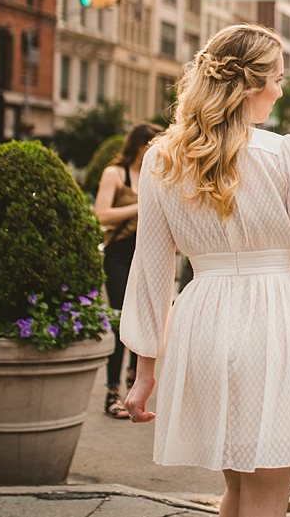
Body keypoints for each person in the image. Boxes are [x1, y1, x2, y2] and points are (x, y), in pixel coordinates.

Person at [121, 25, 290, 517]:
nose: (280, 91)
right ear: (252, 84)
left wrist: (144, 372)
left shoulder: (161, 160)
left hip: (202, 321)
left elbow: (150, 271)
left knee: (238, 491)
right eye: (278, 79)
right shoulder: (284, 153)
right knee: (266, 495)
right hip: (274, 323)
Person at [95, 123, 159, 418]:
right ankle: (112, 392)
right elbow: (102, 214)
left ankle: (134, 387)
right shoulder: (115, 174)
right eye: (152, 146)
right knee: (121, 321)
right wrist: (141, 205)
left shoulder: (156, 175)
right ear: (140, 145)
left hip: (146, 255)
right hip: (119, 256)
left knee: (144, 321)